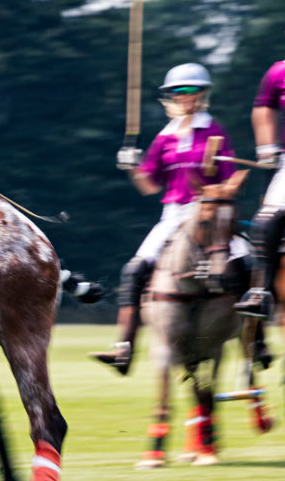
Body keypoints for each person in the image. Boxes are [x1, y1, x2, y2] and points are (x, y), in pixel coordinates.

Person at [91, 63, 245, 373]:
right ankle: (125, 346)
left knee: (246, 260)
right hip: (173, 216)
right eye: (178, 91)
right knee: (134, 269)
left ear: (202, 94)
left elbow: (228, 184)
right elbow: (149, 186)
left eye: (191, 90)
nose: (185, 96)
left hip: (209, 214)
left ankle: (255, 339)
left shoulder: (214, 131)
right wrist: (132, 168)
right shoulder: (165, 137)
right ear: (170, 96)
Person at [233, 59, 285, 318]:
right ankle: (260, 292)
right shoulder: (280, 71)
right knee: (265, 221)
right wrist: (266, 147)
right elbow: (264, 108)